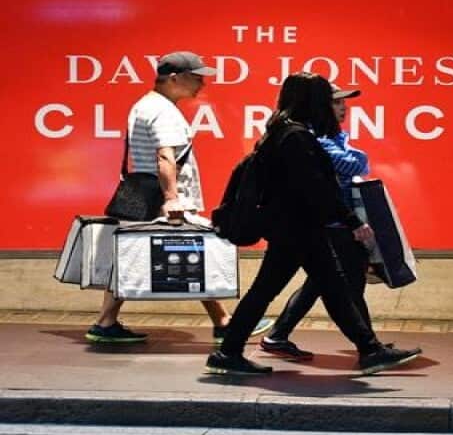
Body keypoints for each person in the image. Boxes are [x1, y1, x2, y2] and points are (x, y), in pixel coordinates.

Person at [205, 72, 421, 376]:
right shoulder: (296, 136)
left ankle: (369, 349)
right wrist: (350, 220)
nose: (333, 107)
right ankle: (369, 350)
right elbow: (316, 186)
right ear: (311, 101)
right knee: (311, 289)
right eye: (325, 100)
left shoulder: (279, 131)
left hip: (294, 228)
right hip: (298, 228)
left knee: (321, 288)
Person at [87, 51, 271, 344]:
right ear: (174, 78)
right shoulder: (165, 112)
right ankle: (223, 322)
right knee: (194, 255)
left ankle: (106, 321)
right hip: (166, 200)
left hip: (142, 195)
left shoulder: (145, 105)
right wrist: (172, 198)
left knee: (134, 256)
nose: (202, 84)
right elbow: (165, 156)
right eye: (195, 78)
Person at [258, 83, 374, 361]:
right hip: (327, 223)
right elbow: (353, 164)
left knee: (323, 281)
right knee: (347, 281)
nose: (343, 107)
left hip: (328, 222)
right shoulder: (312, 138)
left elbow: (351, 161)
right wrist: (350, 220)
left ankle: (276, 335)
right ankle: (370, 346)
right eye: (335, 102)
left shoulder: (328, 136)